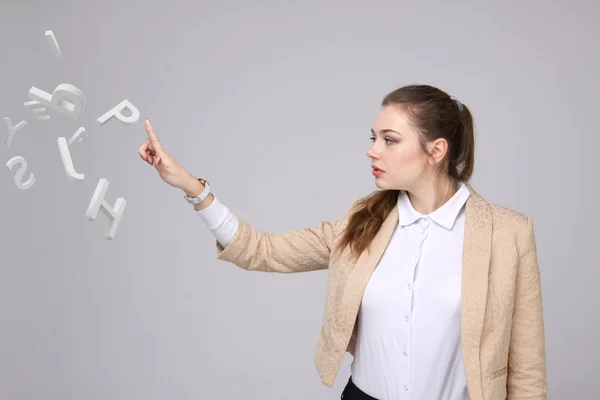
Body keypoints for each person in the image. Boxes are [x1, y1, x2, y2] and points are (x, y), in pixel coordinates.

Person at [138, 84, 547, 400]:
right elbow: (261, 250)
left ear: (436, 150)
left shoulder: (507, 234)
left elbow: (526, 368)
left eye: (390, 139)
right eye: (373, 137)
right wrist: (190, 186)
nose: (372, 150)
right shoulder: (361, 222)